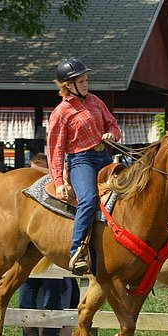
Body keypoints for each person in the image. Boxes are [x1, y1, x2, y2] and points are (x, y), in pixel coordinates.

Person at [47, 57, 121, 275]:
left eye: (86, 79)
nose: (86, 83)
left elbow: (112, 124)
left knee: (127, 189)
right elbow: (55, 149)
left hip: (103, 156)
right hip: (81, 160)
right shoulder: (61, 113)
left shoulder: (95, 101)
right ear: (68, 85)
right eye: (81, 81)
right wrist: (59, 182)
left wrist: (112, 134)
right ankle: (77, 250)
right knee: (88, 199)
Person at [18, 152, 79, 336]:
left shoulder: (58, 192)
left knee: (52, 297)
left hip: (51, 252)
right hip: (32, 251)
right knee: (27, 296)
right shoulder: (30, 196)